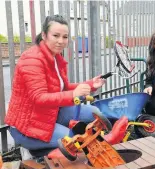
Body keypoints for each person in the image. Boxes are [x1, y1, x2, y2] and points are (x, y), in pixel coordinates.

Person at [5, 15, 106, 152]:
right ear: (44, 35)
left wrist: (91, 84)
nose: (61, 41)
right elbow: (39, 97)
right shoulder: (32, 59)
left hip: (49, 113)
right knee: (73, 139)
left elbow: (63, 88)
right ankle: (38, 153)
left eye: (65, 37)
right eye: (56, 35)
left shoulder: (55, 57)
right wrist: (73, 94)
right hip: (28, 125)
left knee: (94, 113)